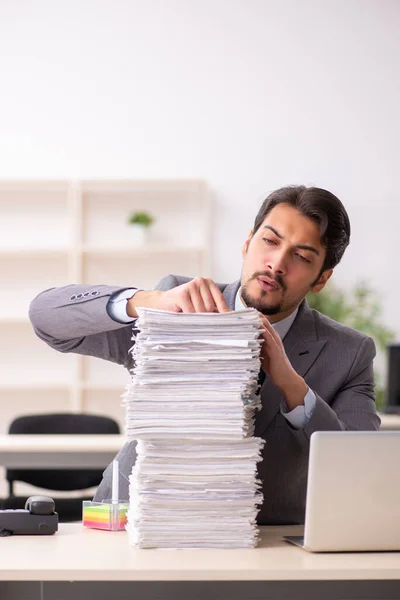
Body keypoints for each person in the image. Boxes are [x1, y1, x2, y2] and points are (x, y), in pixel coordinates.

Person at [29, 185, 380, 525]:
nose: (276, 263)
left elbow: (361, 469)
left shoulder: (349, 353)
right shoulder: (173, 302)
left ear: (321, 279)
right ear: (247, 243)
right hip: (137, 523)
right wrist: (147, 302)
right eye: (269, 241)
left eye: (301, 256)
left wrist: (292, 386)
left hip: (265, 543)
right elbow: (46, 319)